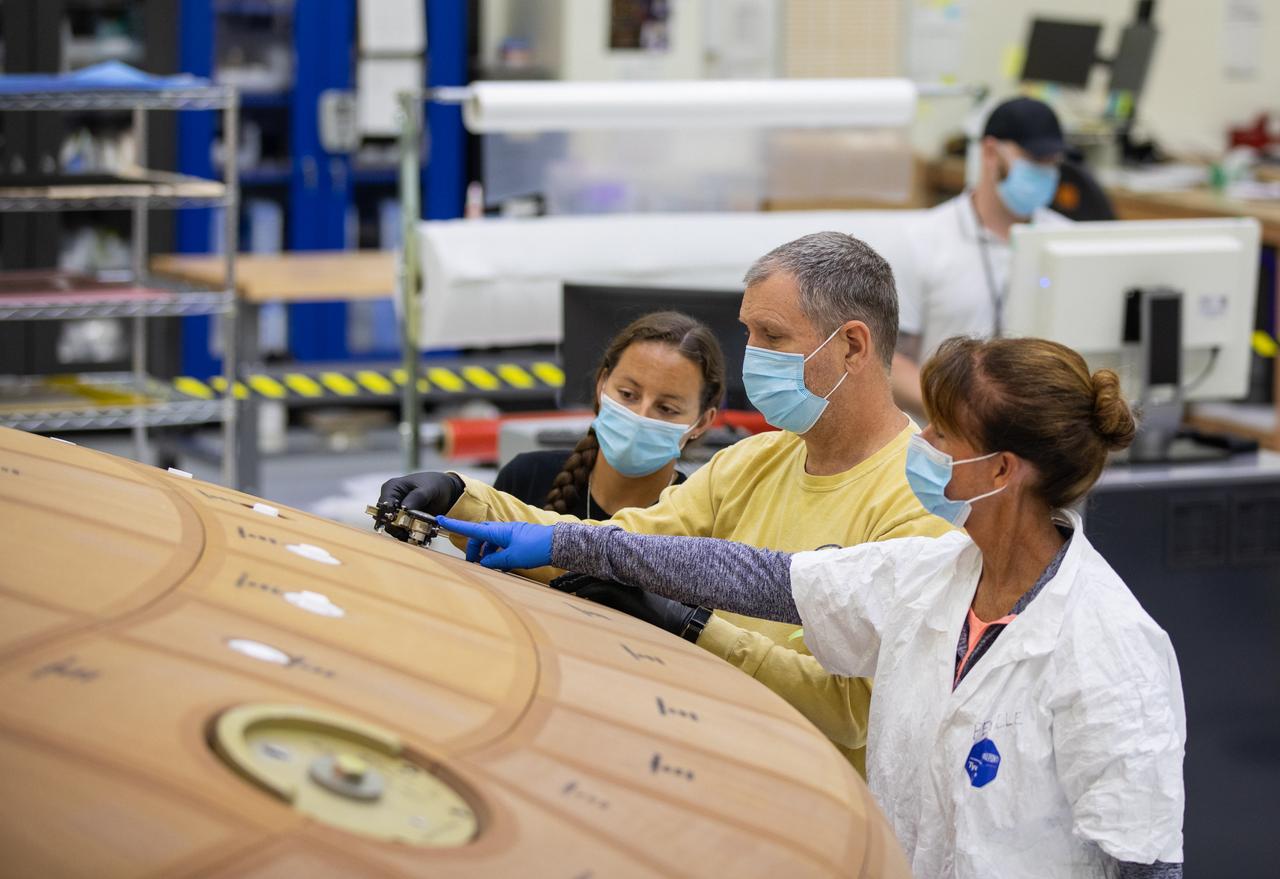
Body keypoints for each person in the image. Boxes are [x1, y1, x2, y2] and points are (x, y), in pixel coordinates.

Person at [440, 336, 1186, 879]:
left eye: (940, 433)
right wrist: (564, 541)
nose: (919, 445)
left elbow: (1144, 860)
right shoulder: (932, 576)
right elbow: (756, 577)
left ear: (1000, 469)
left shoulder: (1109, 647)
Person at [379, 231, 952, 774]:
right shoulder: (752, 462)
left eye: (772, 337)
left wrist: (689, 624)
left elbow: (855, 713)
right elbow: (620, 545)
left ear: (851, 345)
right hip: (707, 761)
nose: (752, 358)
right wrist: (464, 499)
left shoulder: (920, 503)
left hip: (815, 803)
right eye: (747, 333)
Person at [893, 96, 1070, 416]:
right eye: (1034, 160)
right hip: (947, 436)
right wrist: (964, 415)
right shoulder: (922, 241)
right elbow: (891, 363)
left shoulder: (1068, 243)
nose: (1045, 172)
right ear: (990, 152)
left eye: (1053, 162)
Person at [493, 311, 724, 520]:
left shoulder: (698, 523)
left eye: (666, 408)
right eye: (627, 394)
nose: (640, 416)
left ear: (702, 422)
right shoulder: (525, 478)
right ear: (602, 383)